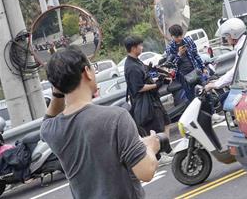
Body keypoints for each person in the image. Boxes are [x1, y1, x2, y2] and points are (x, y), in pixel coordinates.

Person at [40, 47, 160, 199]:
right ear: (87, 72)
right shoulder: (116, 118)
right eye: (93, 67)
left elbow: (48, 119)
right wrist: (150, 147)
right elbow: (146, 172)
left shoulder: (51, 130)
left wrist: (58, 91)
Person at [123, 35, 169, 134]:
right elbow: (139, 88)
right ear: (133, 48)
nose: (142, 47)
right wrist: (156, 85)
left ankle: (167, 148)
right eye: (140, 45)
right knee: (157, 130)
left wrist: (158, 79)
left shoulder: (137, 61)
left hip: (152, 100)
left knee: (166, 123)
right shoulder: (132, 67)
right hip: (146, 104)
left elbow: (144, 78)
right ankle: (160, 148)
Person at [205, 17, 247, 111]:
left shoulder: (242, 49)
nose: (227, 39)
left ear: (234, 35)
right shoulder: (245, 43)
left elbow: (235, 72)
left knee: (224, 100)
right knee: (224, 97)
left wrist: (214, 85)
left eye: (227, 36)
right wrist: (217, 81)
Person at [164, 25, 206, 104]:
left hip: (195, 70)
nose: (180, 38)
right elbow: (172, 64)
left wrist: (203, 67)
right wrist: (179, 54)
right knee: (192, 97)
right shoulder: (170, 47)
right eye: (177, 37)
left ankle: (212, 112)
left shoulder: (188, 40)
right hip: (183, 76)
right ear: (172, 36)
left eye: (181, 35)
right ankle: (197, 114)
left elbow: (196, 55)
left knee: (205, 91)